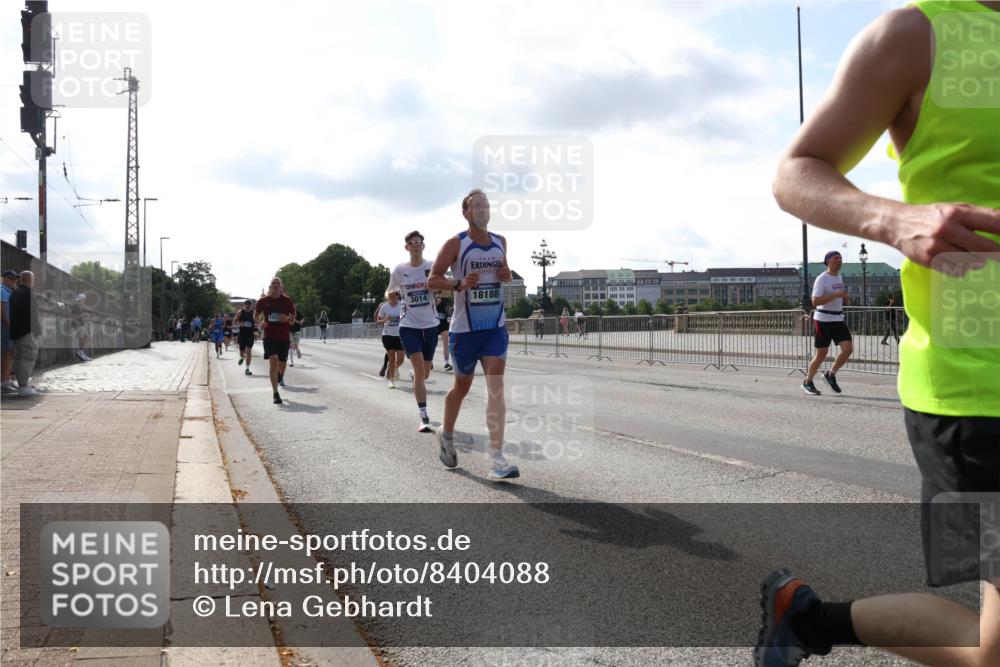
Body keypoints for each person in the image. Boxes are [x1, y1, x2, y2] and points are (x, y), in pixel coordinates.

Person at [758, 2, 1000, 665]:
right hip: (977, 393)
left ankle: (805, 619)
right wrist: (894, 220)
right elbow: (796, 170)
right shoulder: (917, 33)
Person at [429, 188, 519, 480]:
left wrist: (507, 274)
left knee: (496, 387)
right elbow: (433, 280)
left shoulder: (500, 242)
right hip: (464, 331)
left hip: (494, 328)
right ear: (465, 212)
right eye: (477, 205)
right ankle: (446, 433)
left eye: (486, 205)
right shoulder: (456, 243)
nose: (483, 209)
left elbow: (505, 273)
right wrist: (458, 284)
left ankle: (497, 459)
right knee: (461, 388)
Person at [388, 230, 439, 432]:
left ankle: (415, 375)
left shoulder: (432, 267)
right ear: (407, 247)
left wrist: (437, 288)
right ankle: (424, 416)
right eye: (412, 242)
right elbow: (389, 289)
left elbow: (445, 290)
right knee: (419, 370)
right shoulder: (400, 270)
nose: (416, 244)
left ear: (423, 246)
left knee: (424, 373)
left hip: (430, 324)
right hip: (408, 325)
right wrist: (391, 293)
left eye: (419, 242)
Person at [800, 250, 853, 396]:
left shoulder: (839, 277)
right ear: (828, 261)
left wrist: (845, 298)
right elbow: (815, 301)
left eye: (840, 258)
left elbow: (840, 298)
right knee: (821, 354)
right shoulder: (822, 278)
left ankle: (831, 374)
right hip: (823, 319)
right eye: (836, 258)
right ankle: (807, 382)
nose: (839, 260)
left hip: (838, 318)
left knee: (848, 349)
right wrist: (835, 294)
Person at [255, 278, 295, 405]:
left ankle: (280, 375)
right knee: (273, 361)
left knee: (282, 363)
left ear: (282, 287)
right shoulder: (263, 301)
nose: (276, 285)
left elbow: (293, 318)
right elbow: (255, 315)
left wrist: (287, 318)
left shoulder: (287, 301)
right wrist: (260, 323)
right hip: (269, 336)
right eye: (274, 283)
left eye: (278, 283)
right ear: (270, 287)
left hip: (283, 337)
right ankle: (275, 393)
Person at [9, 271, 41, 397]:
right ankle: (23, 386)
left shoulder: (15, 293)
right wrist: (37, 330)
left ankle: (22, 383)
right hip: (27, 331)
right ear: (30, 280)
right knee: (27, 358)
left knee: (19, 358)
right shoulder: (28, 293)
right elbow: (33, 314)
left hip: (17, 331)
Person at [377, 290, 404, 389]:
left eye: (393, 295)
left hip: (400, 335)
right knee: (392, 358)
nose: (391, 296)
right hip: (387, 335)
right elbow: (378, 320)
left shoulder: (402, 305)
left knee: (401, 359)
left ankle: (394, 368)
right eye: (389, 295)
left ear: (397, 295)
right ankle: (392, 380)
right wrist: (385, 320)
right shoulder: (384, 307)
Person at [1, 270, 17, 392]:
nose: (14, 281)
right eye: (12, 279)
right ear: (5, 279)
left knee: (9, 354)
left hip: (7, 327)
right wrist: (8, 324)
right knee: (7, 354)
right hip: (5, 328)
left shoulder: (7, 291)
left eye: (15, 279)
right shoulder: (2, 290)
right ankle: (4, 381)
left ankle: (7, 379)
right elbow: (2, 309)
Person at [235, 299, 256, 375]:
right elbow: (234, 321)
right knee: (242, 352)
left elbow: (257, 322)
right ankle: (242, 357)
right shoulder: (240, 312)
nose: (248, 306)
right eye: (246, 304)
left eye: (249, 305)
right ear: (244, 305)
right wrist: (239, 324)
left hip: (250, 335)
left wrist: (257, 327)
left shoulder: (254, 313)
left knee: (249, 352)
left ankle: (247, 369)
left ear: (251, 305)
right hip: (242, 335)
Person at [69, 294, 91, 362]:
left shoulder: (80, 307)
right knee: (84, 338)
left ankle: (81, 353)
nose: (84, 301)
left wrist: (85, 315)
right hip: (77, 325)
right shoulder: (75, 306)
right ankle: (81, 353)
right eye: (83, 299)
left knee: (86, 338)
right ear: (80, 300)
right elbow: (73, 317)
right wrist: (83, 315)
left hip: (81, 325)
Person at [435, 294, 454, 372]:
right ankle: (429, 361)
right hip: (434, 323)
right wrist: (436, 300)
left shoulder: (450, 299)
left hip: (444, 323)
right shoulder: (436, 296)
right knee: (432, 344)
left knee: (446, 342)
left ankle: (447, 363)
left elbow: (452, 310)